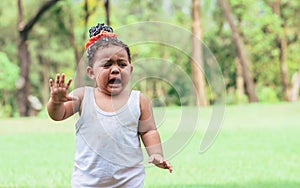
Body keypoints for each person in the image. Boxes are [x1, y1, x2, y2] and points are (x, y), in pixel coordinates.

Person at [47, 23, 172, 187]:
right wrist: (56, 102)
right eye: (107, 65)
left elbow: (149, 130)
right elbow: (58, 115)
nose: (115, 70)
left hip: (129, 182)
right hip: (88, 183)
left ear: (130, 70)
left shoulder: (139, 100)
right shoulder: (84, 96)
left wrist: (156, 153)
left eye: (122, 64)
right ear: (91, 72)